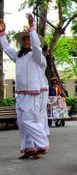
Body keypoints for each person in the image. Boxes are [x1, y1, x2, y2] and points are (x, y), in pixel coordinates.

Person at [0, 14, 49, 159]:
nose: (27, 41)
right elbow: (7, 48)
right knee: (22, 122)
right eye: (25, 39)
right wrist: (2, 32)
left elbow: (36, 46)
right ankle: (29, 148)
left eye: (29, 39)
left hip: (32, 94)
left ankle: (41, 145)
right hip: (21, 94)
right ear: (22, 42)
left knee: (30, 120)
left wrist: (31, 26)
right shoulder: (19, 56)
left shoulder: (38, 57)